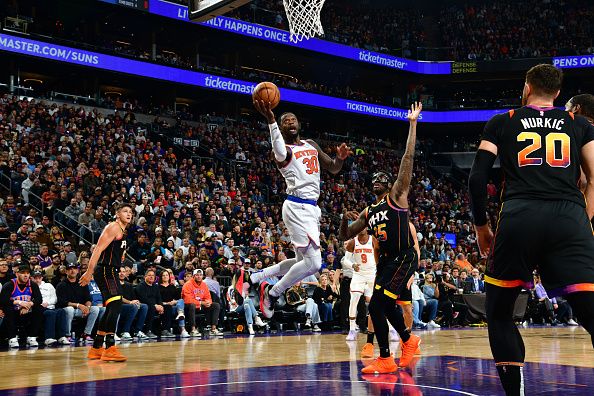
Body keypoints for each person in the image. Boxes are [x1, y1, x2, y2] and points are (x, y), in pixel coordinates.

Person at [468, 64, 594, 395]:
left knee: (499, 313)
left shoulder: (504, 121)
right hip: (569, 218)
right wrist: (585, 220)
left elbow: (477, 177)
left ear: (526, 87)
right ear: (557, 93)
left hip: (519, 216)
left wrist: (481, 225)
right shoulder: (578, 124)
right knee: (590, 310)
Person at [339, 102, 423, 373]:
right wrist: (342, 220)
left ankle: (393, 352)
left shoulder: (396, 196)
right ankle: (400, 347)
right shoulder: (368, 210)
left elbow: (407, 162)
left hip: (404, 256)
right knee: (377, 307)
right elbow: (346, 235)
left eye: (382, 178)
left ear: (390, 184)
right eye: (373, 177)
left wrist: (412, 125)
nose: (377, 179)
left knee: (380, 304)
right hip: (387, 261)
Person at [249, 100, 351, 318]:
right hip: (297, 206)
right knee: (314, 263)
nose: (290, 122)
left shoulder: (311, 144)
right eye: (285, 121)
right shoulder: (283, 151)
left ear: (299, 124)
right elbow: (276, 146)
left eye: (292, 119)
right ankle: (273, 293)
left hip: (312, 209)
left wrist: (340, 159)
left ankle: (260, 276)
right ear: (282, 128)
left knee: (300, 262)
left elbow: (333, 168)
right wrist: (271, 121)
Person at [79, 203, 134, 362]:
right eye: (125, 211)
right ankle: (110, 347)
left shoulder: (124, 231)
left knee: (112, 306)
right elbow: (97, 249)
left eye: (130, 212)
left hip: (112, 270)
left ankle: (96, 348)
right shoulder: (113, 227)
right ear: (117, 214)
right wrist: (89, 271)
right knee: (115, 305)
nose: (129, 214)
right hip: (105, 270)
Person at [343, 229, 379, 341]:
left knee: (378, 302)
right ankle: (352, 330)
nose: (360, 229)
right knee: (353, 300)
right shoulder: (352, 242)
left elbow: (379, 255)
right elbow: (345, 260)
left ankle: (389, 328)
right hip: (358, 275)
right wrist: (352, 265)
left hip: (372, 274)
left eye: (362, 227)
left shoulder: (373, 240)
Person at [56, 263, 101, 343]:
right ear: (66, 272)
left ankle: (86, 334)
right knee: (70, 310)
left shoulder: (82, 283)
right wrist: (78, 305)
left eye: (74, 269)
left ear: (77, 271)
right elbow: (61, 302)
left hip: (81, 310)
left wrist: (87, 308)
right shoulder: (61, 285)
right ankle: (67, 335)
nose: (72, 271)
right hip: (67, 310)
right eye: (70, 269)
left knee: (95, 309)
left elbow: (88, 298)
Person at [0, 265, 43, 348]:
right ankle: (12, 338)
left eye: (27, 273)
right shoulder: (9, 285)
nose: (26, 275)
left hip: (26, 311)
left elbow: (39, 299)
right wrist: (19, 302)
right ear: (17, 274)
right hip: (13, 312)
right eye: (23, 273)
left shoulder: (33, 285)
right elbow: (3, 301)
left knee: (39, 309)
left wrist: (28, 305)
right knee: (8, 309)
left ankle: (31, 337)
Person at [32, 270, 70, 346]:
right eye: (35, 278)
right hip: (38, 308)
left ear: (42, 278)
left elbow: (55, 298)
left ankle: (62, 337)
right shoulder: (31, 286)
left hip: (51, 306)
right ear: (32, 278)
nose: (37, 280)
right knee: (50, 313)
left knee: (61, 311)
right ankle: (49, 338)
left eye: (39, 278)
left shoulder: (48, 285)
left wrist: (48, 303)